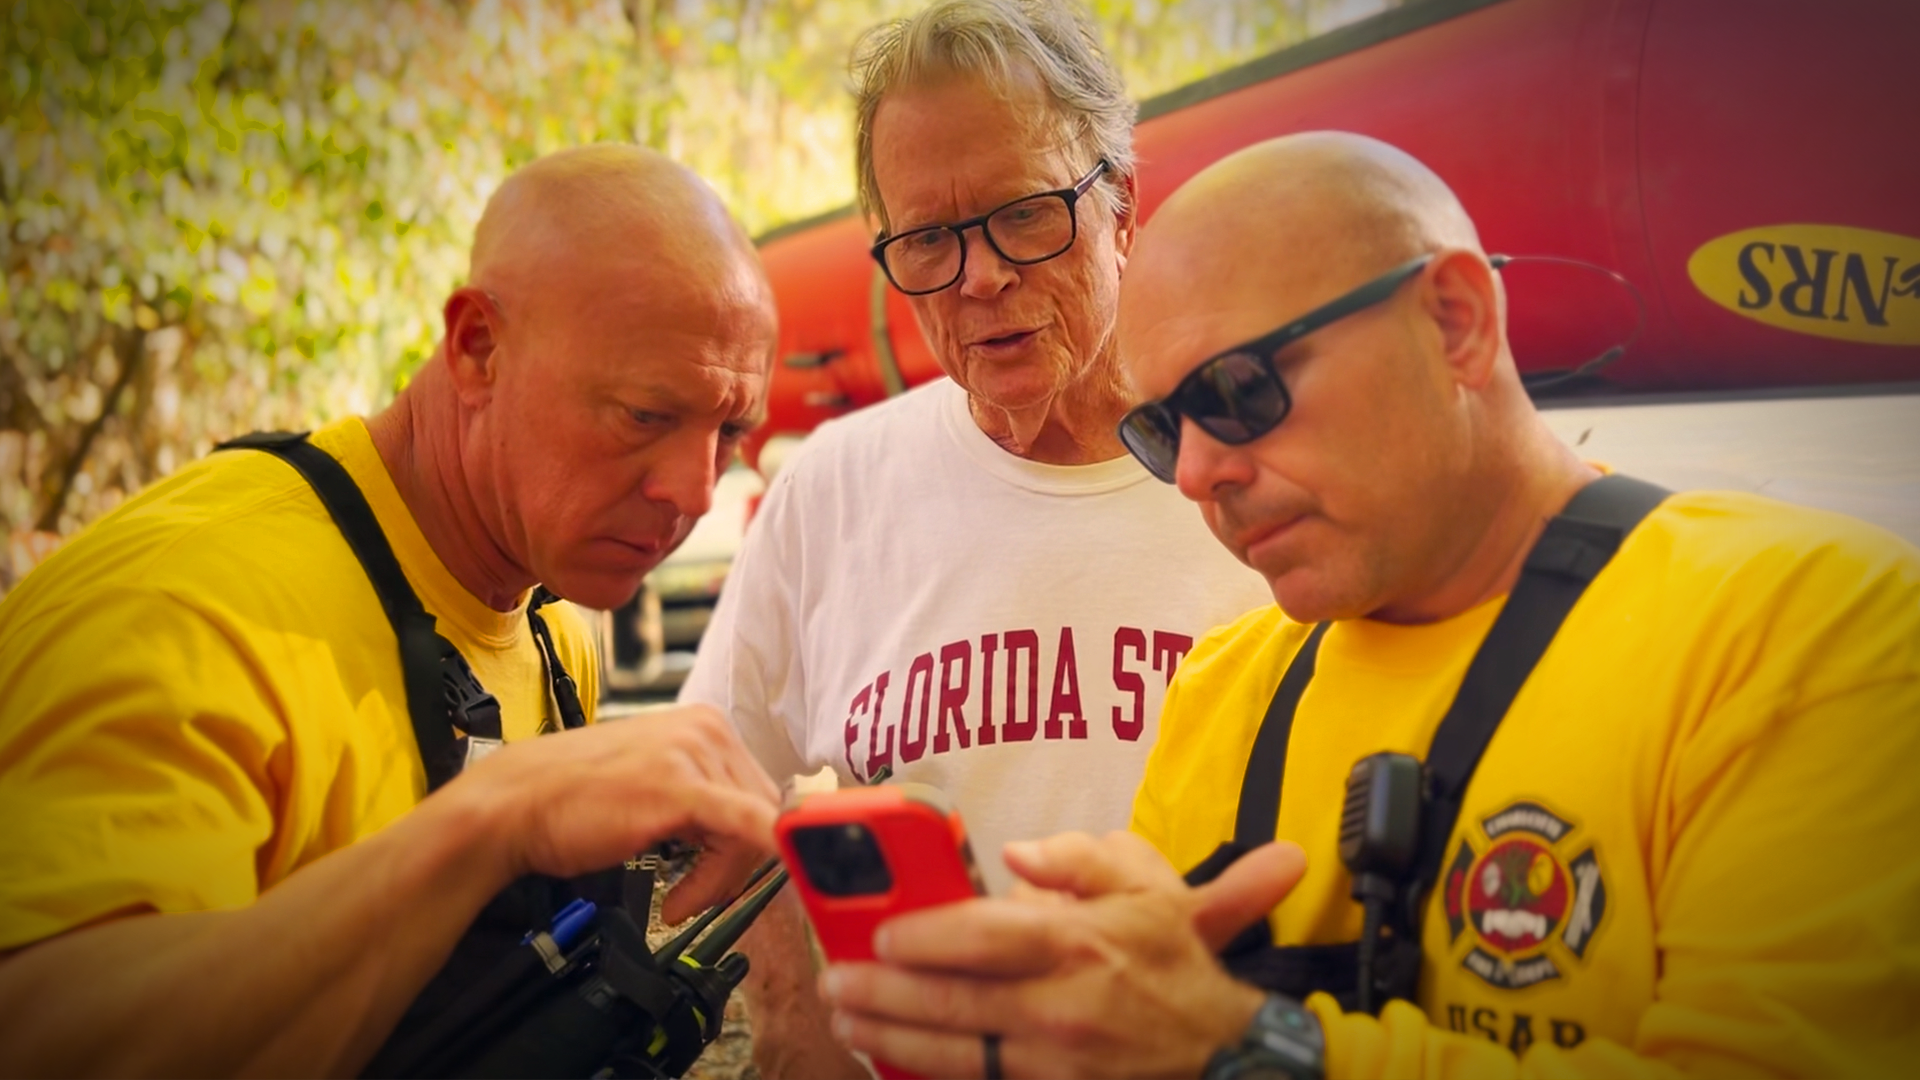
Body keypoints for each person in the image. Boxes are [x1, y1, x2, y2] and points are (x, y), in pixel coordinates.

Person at [813, 132, 1920, 1078]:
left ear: (1455, 322)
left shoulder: (1810, 629)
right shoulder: (1225, 691)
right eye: (1160, 430)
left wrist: (1244, 1045)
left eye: (1239, 393)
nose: (1195, 472)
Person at [0, 145, 785, 1076]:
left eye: (731, 430)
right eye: (645, 416)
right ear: (477, 349)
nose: (693, 492)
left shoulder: (551, 617)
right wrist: (488, 824)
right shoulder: (187, 609)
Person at [679, 0, 1269, 1073]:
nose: (979, 276)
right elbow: (722, 778)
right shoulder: (835, 491)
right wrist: (793, 1019)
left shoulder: (1262, 469)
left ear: (1123, 205)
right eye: (928, 240)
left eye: (1026, 213)